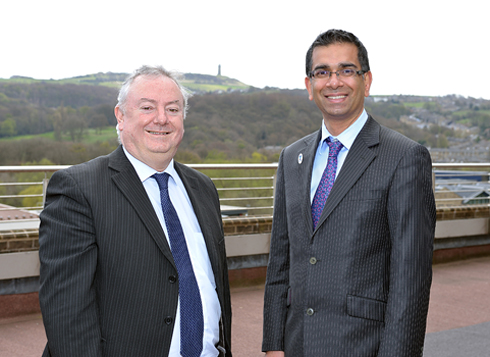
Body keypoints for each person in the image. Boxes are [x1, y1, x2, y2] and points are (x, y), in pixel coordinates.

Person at [262, 29, 436, 356]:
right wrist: (274, 344)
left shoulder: (404, 157)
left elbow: (411, 280)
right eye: (322, 72)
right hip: (297, 343)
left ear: (366, 81)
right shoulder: (291, 157)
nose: (334, 82)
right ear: (309, 86)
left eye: (346, 70)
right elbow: (280, 261)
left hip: (363, 346)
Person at [39, 65, 232, 357]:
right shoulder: (78, 189)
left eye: (173, 109)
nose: (162, 119)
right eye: (147, 107)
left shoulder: (204, 189)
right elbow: (67, 315)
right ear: (120, 116)